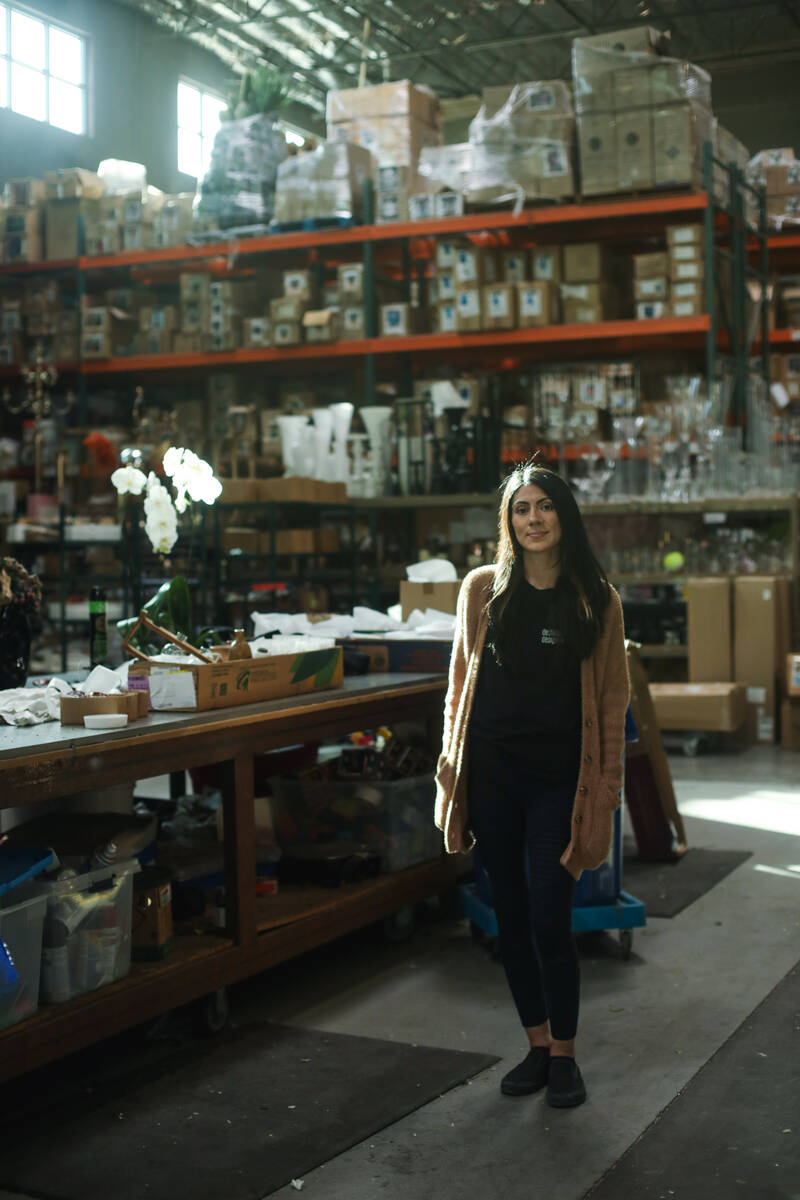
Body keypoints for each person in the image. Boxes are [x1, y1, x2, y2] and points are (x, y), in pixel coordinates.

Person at [434, 460, 630, 1109]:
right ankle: (537, 1045)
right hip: (493, 775)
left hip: (559, 782)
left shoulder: (596, 599)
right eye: (521, 509)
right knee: (510, 916)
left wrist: (605, 793)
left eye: (544, 506)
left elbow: (609, 705)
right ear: (508, 521)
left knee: (551, 914)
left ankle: (568, 1056)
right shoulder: (481, 590)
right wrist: (449, 767)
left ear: (563, 516)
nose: (533, 519)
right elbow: (459, 688)